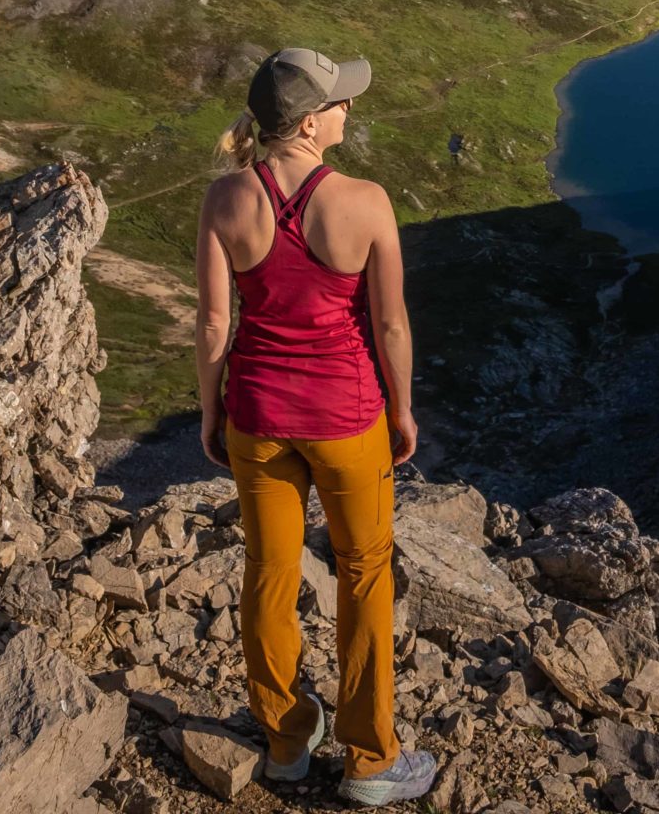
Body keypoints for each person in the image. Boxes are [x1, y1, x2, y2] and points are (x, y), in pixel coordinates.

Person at [197, 45, 437, 806]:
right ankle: (369, 759)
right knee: (364, 574)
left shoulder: (225, 198)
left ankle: (285, 740)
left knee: (268, 573)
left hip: (258, 416)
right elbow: (390, 324)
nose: (347, 110)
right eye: (338, 102)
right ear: (307, 124)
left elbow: (211, 322)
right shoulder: (364, 200)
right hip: (344, 418)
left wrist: (212, 406)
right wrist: (399, 409)